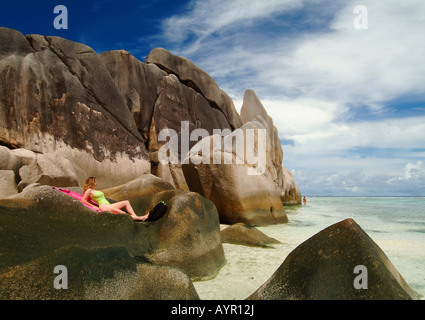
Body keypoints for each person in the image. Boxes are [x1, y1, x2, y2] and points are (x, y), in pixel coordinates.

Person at [81, 177, 149, 222]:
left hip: (108, 205)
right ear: (92, 182)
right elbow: (83, 200)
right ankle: (140, 218)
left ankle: (135, 216)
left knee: (126, 202)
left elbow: (89, 200)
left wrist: (92, 203)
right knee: (123, 213)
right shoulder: (89, 190)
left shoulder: (93, 190)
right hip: (104, 206)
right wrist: (93, 206)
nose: (97, 183)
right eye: (95, 181)